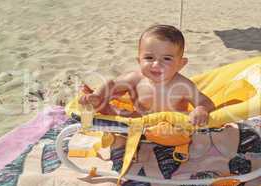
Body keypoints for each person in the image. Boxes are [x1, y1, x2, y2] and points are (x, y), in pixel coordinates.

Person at [79, 24, 215, 126]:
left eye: (167, 59)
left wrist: (201, 109)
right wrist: (98, 94)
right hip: (139, 121)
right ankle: (97, 102)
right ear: (139, 60)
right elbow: (112, 84)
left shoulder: (183, 86)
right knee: (115, 112)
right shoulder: (135, 78)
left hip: (171, 127)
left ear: (181, 64)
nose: (156, 64)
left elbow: (206, 102)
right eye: (149, 58)